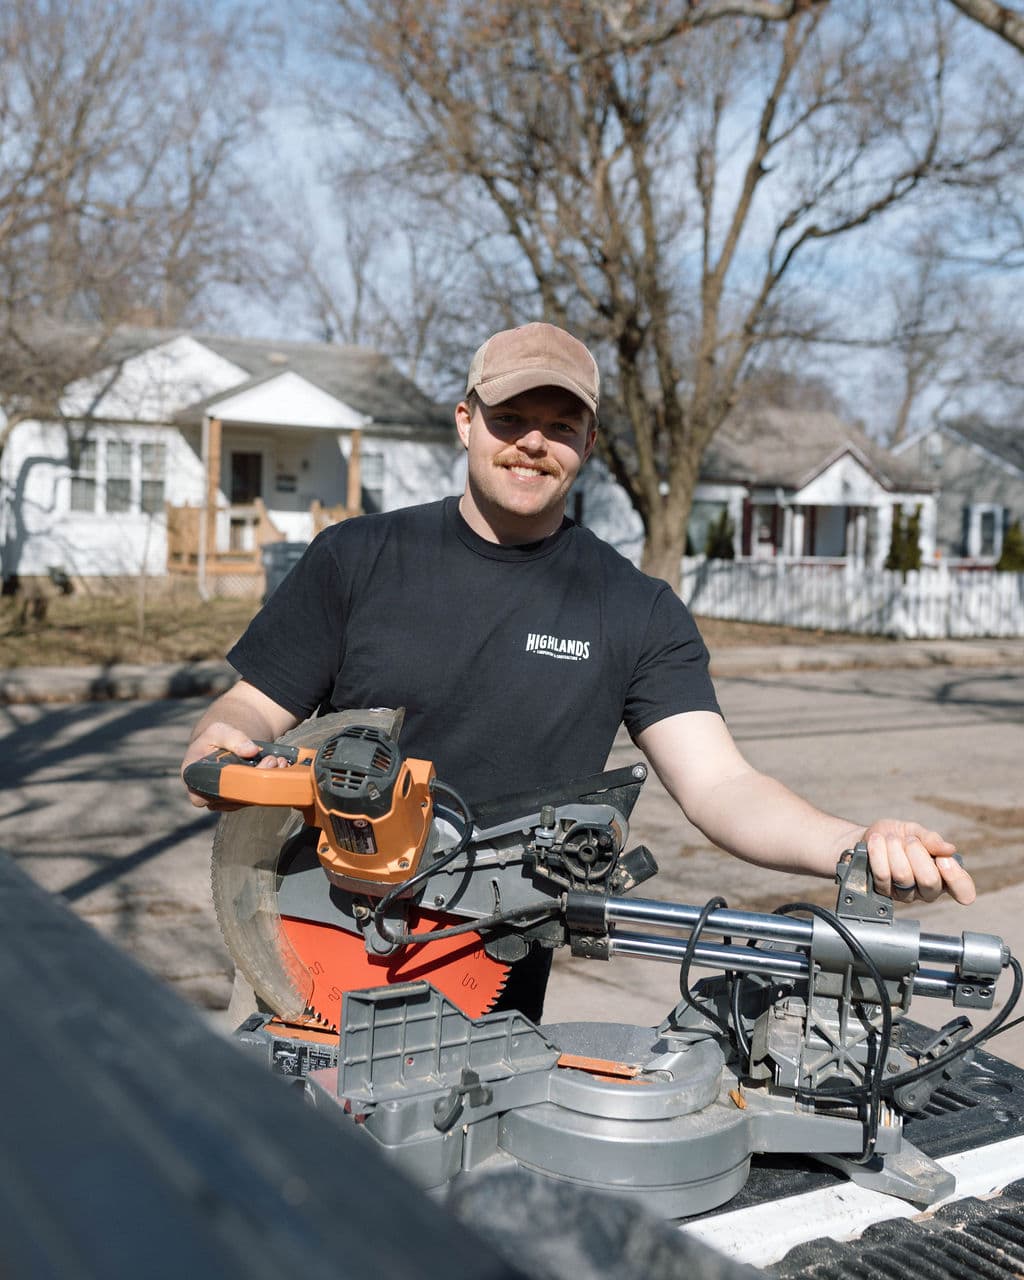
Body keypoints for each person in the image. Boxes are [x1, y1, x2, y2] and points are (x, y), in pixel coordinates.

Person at [181, 321, 974, 1020]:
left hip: (486, 972)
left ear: (588, 446)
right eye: (511, 418)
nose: (532, 442)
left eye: (561, 426)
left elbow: (722, 787)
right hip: (305, 938)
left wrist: (855, 843)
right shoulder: (357, 559)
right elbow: (254, 707)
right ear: (466, 421)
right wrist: (222, 743)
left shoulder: (634, 609)